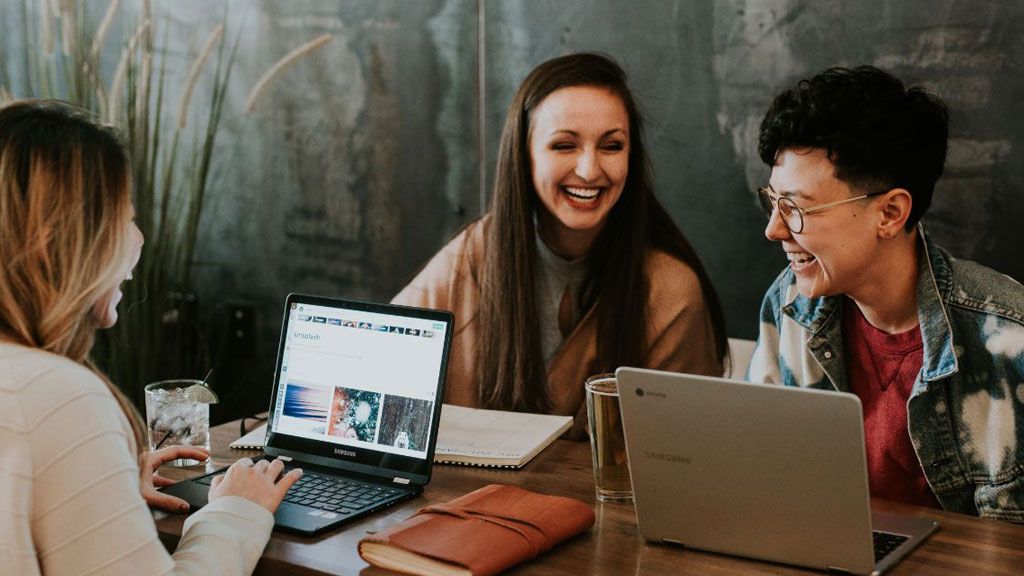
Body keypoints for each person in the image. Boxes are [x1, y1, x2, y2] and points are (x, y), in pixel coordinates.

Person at [0, 100, 303, 575]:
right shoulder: (56, 396)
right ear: (58, 241)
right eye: (124, 218)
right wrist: (235, 512)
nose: (137, 239)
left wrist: (99, 485)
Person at [394, 53, 728, 438]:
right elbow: (376, 363)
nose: (589, 170)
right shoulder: (473, 255)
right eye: (564, 146)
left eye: (612, 146)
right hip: (465, 497)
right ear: (525, 156)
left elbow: (685, 456)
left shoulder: (671, 291)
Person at [746, 66, 1024, 521]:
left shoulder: (1009, 342)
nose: (774, 228)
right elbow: (758, 474)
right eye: (773, 201)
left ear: (890, 213)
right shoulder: (789, 306)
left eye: (796, 208)